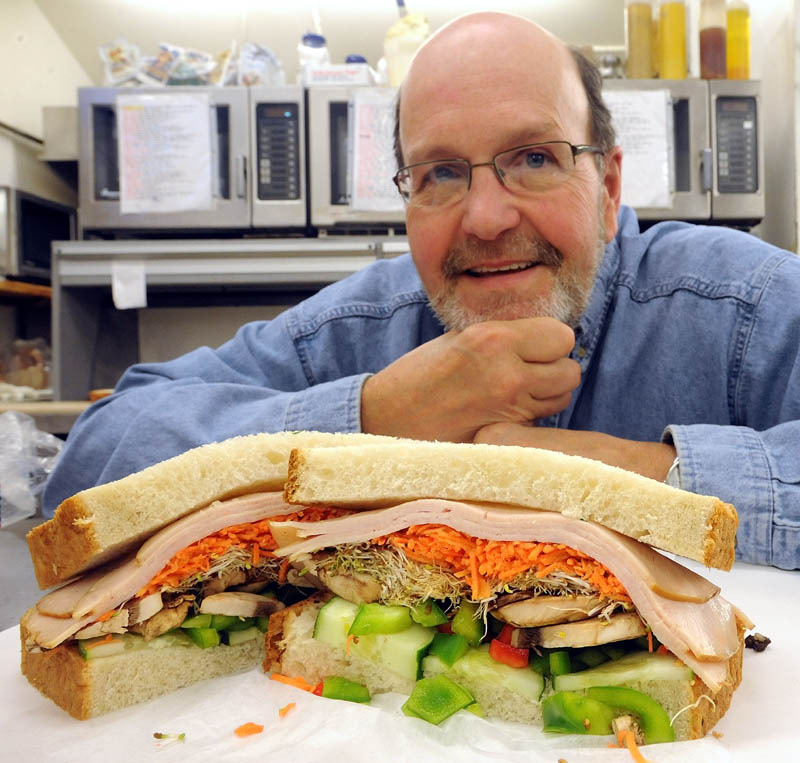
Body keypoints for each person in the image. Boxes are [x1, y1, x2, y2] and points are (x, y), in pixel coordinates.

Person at [43, 12, 799, 570]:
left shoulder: (738, 304)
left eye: (533, 157)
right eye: (439, 173)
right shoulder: (360, 326)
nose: (487, 217)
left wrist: (615, 475)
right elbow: (92, 460)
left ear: (605, 187)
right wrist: (370, 418)